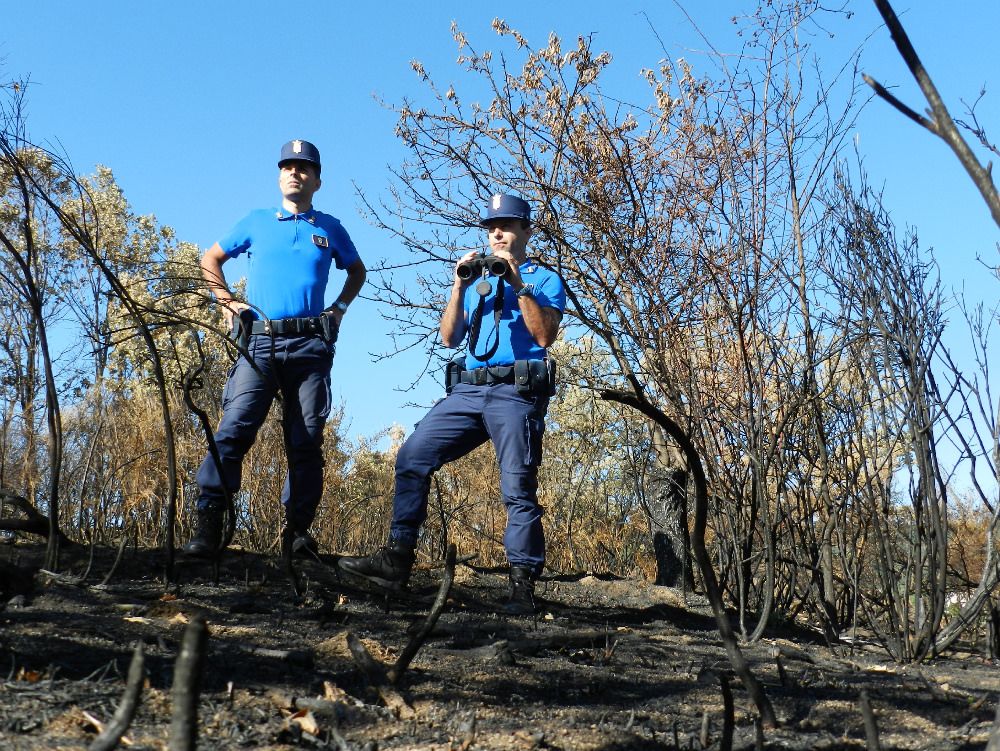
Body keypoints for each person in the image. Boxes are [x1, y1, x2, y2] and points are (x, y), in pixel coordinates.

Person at [338, 194, 565, 614]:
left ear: (526, 231)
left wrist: (517, 284)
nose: (497, 232)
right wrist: (459, 286)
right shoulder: (478, 278)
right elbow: (449, 337)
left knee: (517, 486)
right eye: (492, 226)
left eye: (508, 225)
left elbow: (544, 336)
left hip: (516, 393)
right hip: (468, 391)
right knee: (412, 456)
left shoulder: (544, 279)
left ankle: (521, 586)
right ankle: (397, 558)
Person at [184, 139, 366, 558]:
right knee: (233, 430)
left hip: (310, 346)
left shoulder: (330, 227)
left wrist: (338, 310)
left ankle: (297, 535)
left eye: (304, 168)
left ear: (317, 180)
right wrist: (229, 303)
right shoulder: (256, 221)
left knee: (306, 439)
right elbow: (210, 259)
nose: (294, 172)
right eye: (287, 166)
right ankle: (209, 525)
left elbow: (356, 270)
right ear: (279, 175)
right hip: (260, 343)